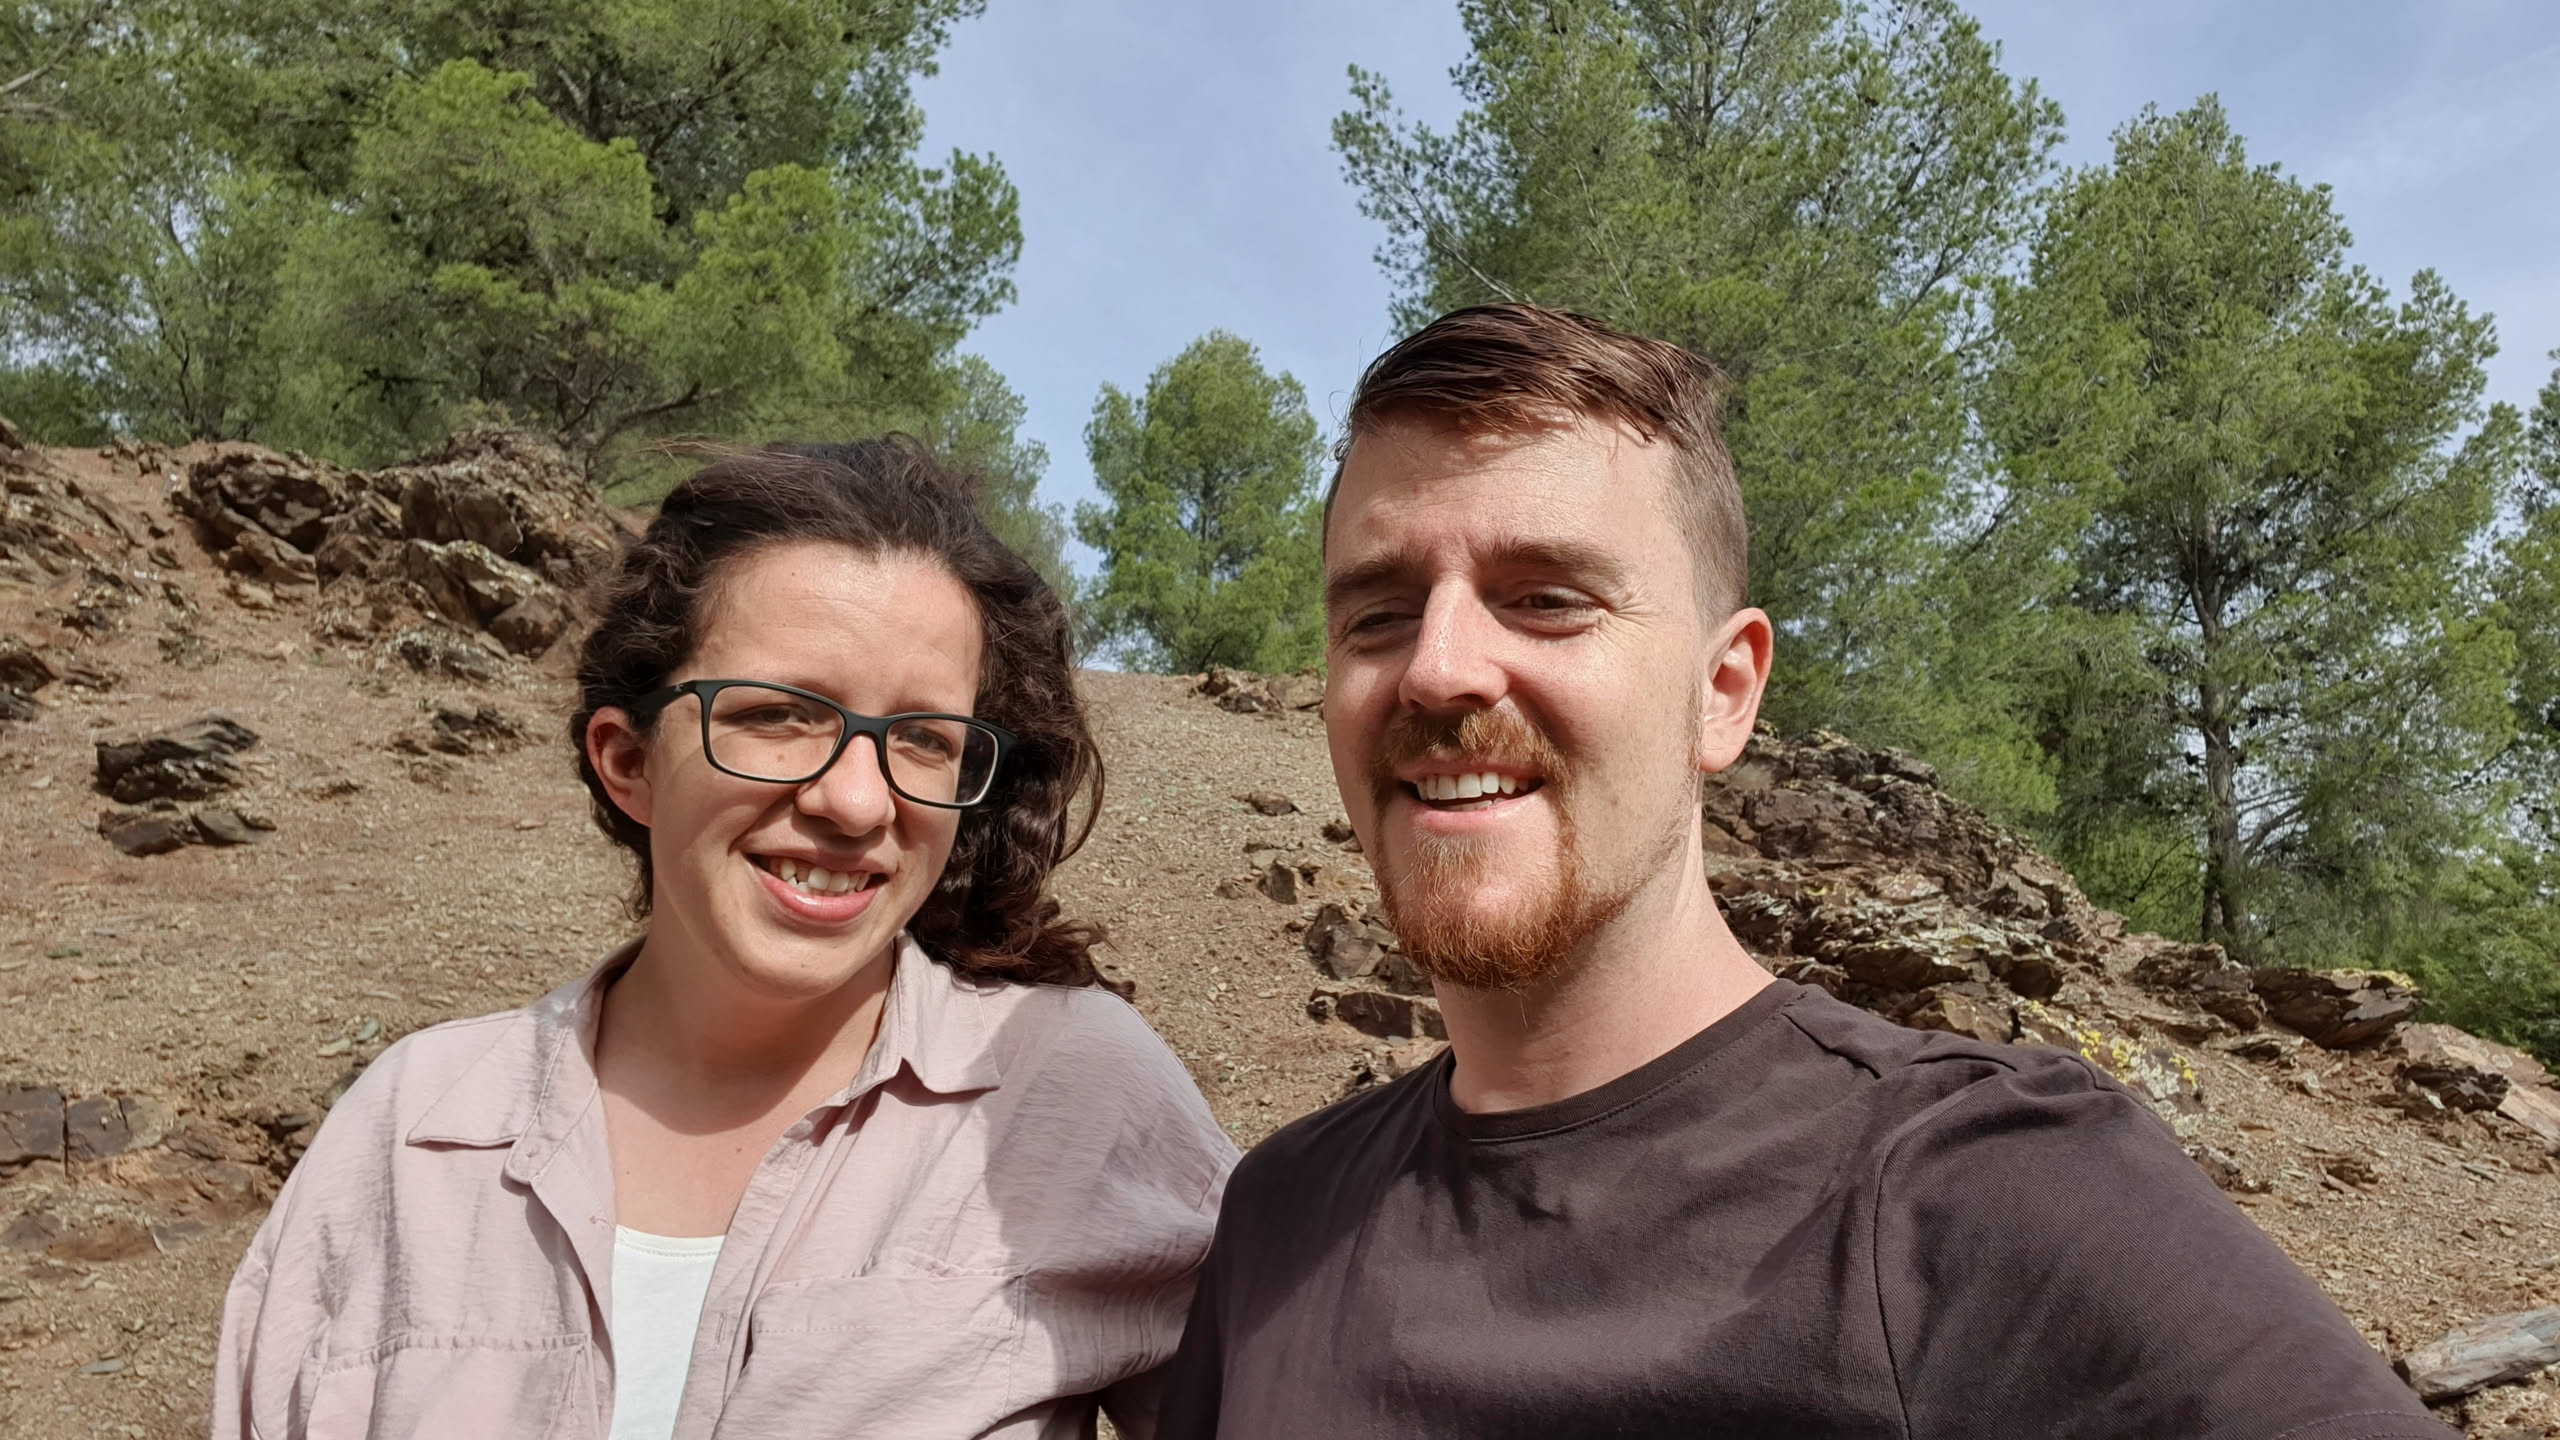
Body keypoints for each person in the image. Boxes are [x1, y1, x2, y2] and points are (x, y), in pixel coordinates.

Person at [1155, 304, 2455, 1439]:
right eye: (1378, 614)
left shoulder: (1977, 1186)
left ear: (1724, 692)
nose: (1437, 668)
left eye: (1545, 597)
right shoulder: (1280, 1218)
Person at [215, 439, 1235, 1440]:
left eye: (925, 738)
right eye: (780, 715)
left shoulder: (1073, 1095)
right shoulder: (411, 1133)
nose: (855, 802)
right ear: (627, 761)